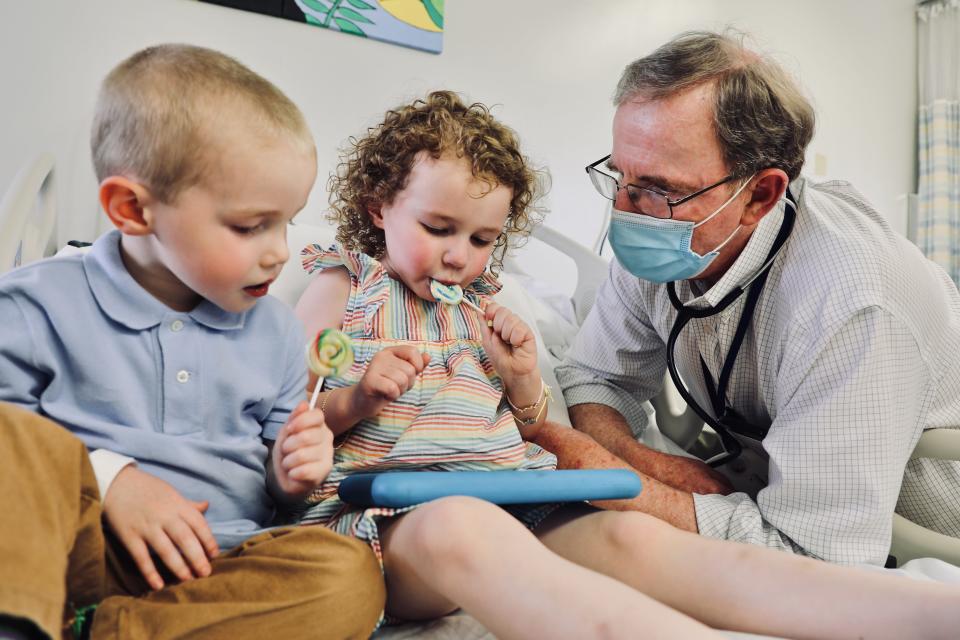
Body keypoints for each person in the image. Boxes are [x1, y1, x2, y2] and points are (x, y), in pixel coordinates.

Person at [292, 89, 960, 639]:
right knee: (461, 527)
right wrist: (359, 400)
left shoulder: (479, 307)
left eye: (482, 240)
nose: (459, 257)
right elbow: (288, 419)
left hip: (512, 497)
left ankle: (927, 612)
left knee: (634, 540)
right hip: (393, 521)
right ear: (379, 207)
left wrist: (522, 374)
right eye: (439, 230)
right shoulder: (348, 289)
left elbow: (527, 420)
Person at [0, 44, 384, 640]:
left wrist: (293, 471)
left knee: (349, 574)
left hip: (216, 568)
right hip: (76, 551)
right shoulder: (40, 302)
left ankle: (95, 632)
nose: (280, 251)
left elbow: (276, 491)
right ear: (132, 209)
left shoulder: (277, 332)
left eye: (286, 221)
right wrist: (111, 481)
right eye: (249, 225)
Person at [555, 28, 960, 567]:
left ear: (760, 195)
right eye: (619, 176)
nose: (626, 210)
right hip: (785, 492)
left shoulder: (853, 300)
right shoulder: (667, 241)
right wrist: (632, 460)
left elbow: (813, 556)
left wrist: (619, 484)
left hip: (923, 531)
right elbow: (596, 377)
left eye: (657, 188)